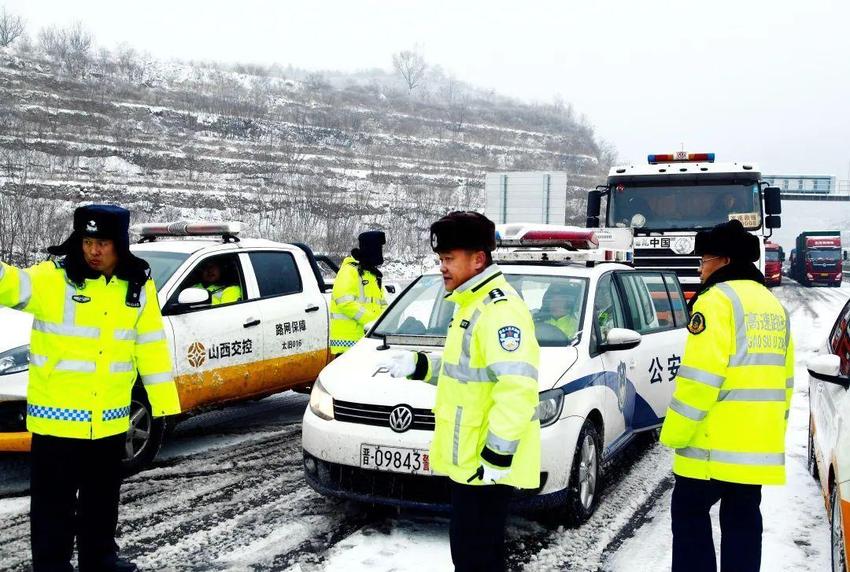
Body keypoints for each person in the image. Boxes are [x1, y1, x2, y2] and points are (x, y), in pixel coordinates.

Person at [0, 205, 182, 572]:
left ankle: (100, 560)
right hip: (56, 421)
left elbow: (150, 344)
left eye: (102, 242)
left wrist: (164, 403)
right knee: (54, 505)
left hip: (110, 419)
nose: (93, 250)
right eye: (87, 241)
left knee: (102, 500)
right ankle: (52, 567)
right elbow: (10, 284)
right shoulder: (54, 279)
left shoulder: (137, 285)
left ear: (120, 244)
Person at [379, 211, 540, 572]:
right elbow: (464, 374)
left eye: (449, 259)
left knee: (477, 560)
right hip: (469, 462)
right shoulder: (469, 304)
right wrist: (419, 365)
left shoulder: (499, 311)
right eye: (441, 259)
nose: (442, 267)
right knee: (469, 557)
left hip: (485, 466)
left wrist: (496, 459)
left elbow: (518, 390)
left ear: (478, 259)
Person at [659, 219, 793, 572]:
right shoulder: (773, 306)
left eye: (703, 260)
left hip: (711, 446)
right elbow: (786, 381)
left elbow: (699, 379)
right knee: (744, 525)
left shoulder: (715, 301)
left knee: (689, 518)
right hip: (755, 446)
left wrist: (674, 434)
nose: (700, 269)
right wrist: (771, 432)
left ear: (724, 261)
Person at [329, 231, 388, 354]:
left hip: (367, 340)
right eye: (378, 249)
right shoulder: (349, 271)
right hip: (348, 343)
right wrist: (372, 322)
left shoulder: (372, 275)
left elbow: (382, 303)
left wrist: (384, 323)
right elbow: (345, 302)